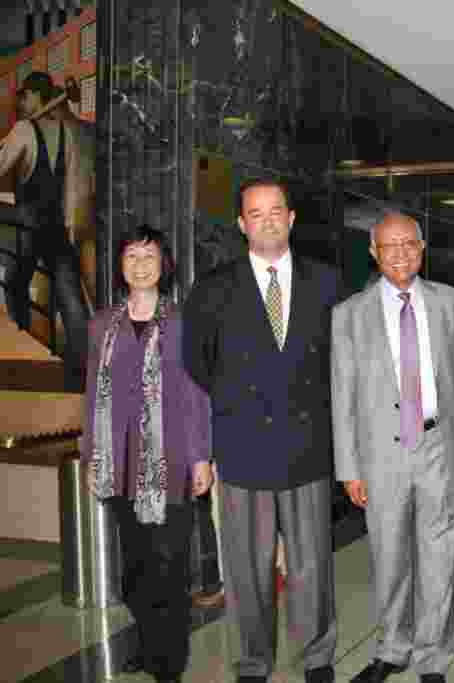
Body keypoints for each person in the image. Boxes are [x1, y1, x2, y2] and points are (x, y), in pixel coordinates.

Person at [183, 178, 342, 683]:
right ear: (241, 224)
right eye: (256, 213)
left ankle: (318, 657)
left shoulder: (327, 282)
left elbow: (344, 366)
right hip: (243, 447)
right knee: (247, 569)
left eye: (277, 211)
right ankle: (253, 662)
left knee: (312, 565)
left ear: (291, 218)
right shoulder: (213, 288)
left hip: (308, 447)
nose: (268, 220)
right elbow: (196, 366)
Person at [331, 211, 454, 683]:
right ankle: (392, 647)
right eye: (390, 246)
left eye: (409, 244)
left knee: (439, 556)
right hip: (379, 454)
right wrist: (349, 468)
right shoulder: (348, 314)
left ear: (422, 247)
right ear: (373, 252)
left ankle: (433, 657)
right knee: (388, 555)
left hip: (438, 447)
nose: (401, 254)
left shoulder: (451, 302)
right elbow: (341, 394)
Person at [81, 225, 212, 683]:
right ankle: (149, 638)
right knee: (135, 572)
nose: (140, 264)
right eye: (131, 256)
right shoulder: (102, 326)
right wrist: (90, 456)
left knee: (169, 568)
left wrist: (201, 458)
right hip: (119, 464)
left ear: (164, 265)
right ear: (120, 266)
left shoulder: (182, 324)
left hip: (171, 464)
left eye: (149, 256)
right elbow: (91, 397)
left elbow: (197, 394)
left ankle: (168, 662)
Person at [0, 71, 95, 391]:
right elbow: (70, 182)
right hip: (56, 226)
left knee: (14, 284)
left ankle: (23, 354)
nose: (21, 104)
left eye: (24, 97)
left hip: (28, 225)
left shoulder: (24, 130)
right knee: (69, 296)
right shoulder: (66, 131)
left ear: (37, 96)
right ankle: (86, 371)